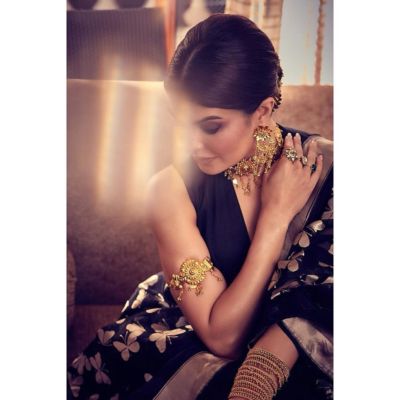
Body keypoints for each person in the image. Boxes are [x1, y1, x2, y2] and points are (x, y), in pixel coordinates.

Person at [67, 13, 333, 400]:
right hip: (190, 346)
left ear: (262, 111)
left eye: (210, 126)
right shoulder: (169, 191)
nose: (190, 145)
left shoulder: (325, 168)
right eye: (180, 121)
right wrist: (274, 219)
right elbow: (222, 338)